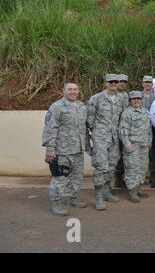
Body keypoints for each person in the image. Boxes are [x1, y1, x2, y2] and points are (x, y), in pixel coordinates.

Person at [42, 82, 88, 216]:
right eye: (70, 89)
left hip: (78, 149)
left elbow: (84, 128)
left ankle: (73, 198)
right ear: (64, 91)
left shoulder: (82, 106)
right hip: (62, 150)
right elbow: (50, 128)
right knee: (60, 178)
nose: (73, 92)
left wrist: (86, 145)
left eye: (75, 89)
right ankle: (57, 204)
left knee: (76, 177)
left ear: (78, 91)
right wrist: (50, 148)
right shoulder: (57, 107)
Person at [87, 74, 125, 211]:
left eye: (116, 82)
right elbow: (89, 120)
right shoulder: (96, 98)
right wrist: (98, 134)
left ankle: (107, 191)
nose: (114, 84)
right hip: (101, 138)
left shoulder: (121, 99)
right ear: (106, 84)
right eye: (111, 82)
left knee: (112, 166)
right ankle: (98, 196)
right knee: (100, 167)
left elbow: (122, 118)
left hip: (115, 138)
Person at [119, 91, 153, 203]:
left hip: (144, 146)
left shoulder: (146, 112)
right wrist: (127, 144)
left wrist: (149, 140)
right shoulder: (127, 113)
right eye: (134, 99)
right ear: (130, 101)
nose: (136, 101)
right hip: (132, 146)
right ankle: (132, 192)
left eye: (138, 99)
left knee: (142, 168)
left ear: (141, 100)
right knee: (132, 169)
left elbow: (149, 129)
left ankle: (138, 188)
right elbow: (123, 130)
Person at [142, 75, 155, 184]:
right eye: (145, 82)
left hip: (152, 128)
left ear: (152, 84)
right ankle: (140, 175)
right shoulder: (137, 96)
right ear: (142, 84)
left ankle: (152, 173)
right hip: (140, 128)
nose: (147, 84)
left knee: (153, 152)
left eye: (149, 82)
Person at [114, 73, 129, 188]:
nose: (123, 83)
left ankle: (122, 177)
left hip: (124, 130)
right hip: (113, 131)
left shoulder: (127, 95)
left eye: (125, 82)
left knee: (124, 154)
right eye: (120, 81)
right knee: (114, 155)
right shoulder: (112, 95)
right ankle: (116, 178)